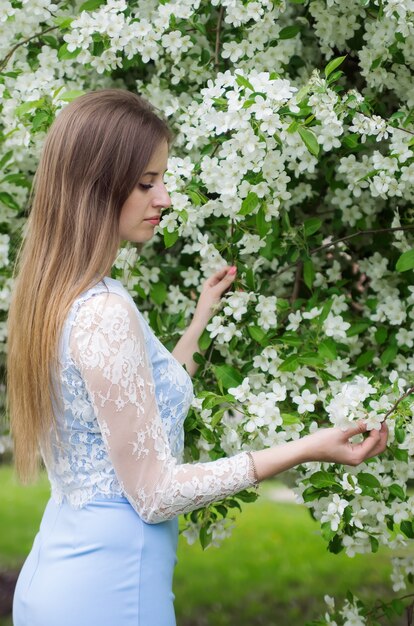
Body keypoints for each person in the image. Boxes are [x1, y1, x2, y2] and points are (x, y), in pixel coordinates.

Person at [7, 89, 388, 626]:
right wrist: (305, 449)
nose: (164, 198)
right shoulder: (105, 311)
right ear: (95, 188)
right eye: (146, 184)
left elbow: (142, 406)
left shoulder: (57, 296)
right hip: (111, 594)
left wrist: (201, 315)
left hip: (60, 577)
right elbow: (156, 493)